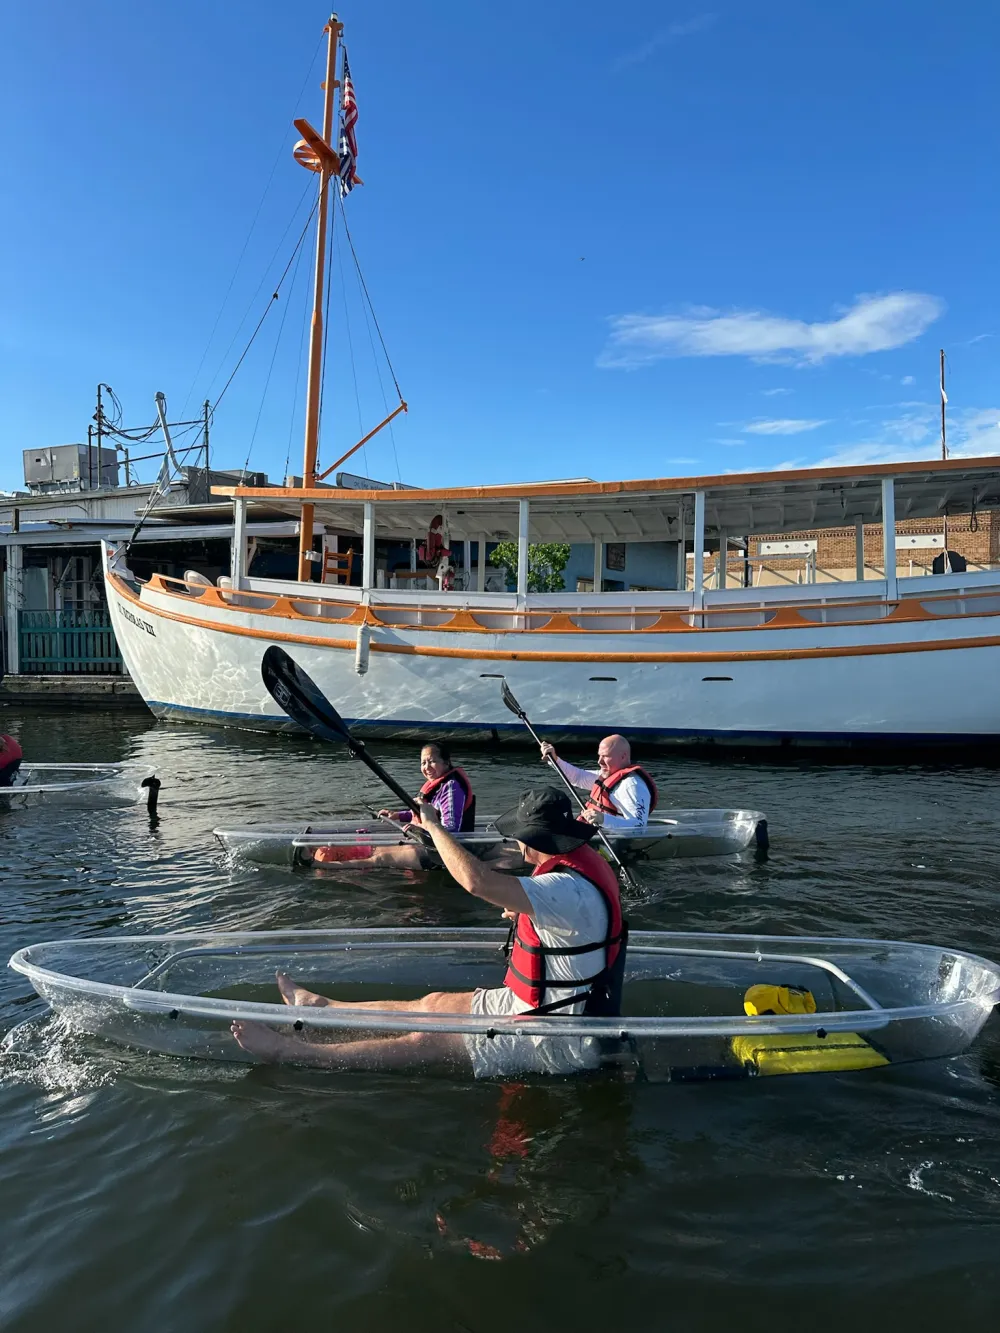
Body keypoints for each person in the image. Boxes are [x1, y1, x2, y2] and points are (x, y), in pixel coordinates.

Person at [231, 786, 626, 1077]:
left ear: (539, 838)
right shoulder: (576, 866)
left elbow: (476, 881)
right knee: (434, 1003)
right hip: (533, 1005)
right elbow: (576, 925)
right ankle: (321, 1009)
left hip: (551, 1037)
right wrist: (529, 917)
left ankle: (293, 1053)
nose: (516, 842)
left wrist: (434, 828)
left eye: (521, 834)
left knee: (427, 1041)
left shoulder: (564, 886)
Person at [311, 740, 475, 869]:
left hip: (442, 853)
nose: (426, 767)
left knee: (380, 858)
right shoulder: (437, 785)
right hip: (424, 840)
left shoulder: (451, 788)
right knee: (371, 843)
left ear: (446, 762)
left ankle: (318, 866)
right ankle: (323, 850)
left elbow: (452, 829)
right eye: (423, 763)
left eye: (431, 761)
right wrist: (398, 815)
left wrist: (418, 831)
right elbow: (423, 812)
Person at [539, 735, 656, 829]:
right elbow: (578, 777)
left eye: (605, 756)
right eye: (599, 756)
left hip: (613, 843)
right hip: (591, 831)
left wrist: (603, 819)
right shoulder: (607, 774)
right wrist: (554, 760)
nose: (599, 761)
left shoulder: (632, 786)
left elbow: (639, 827)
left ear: (623, 756)